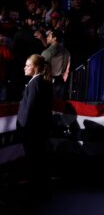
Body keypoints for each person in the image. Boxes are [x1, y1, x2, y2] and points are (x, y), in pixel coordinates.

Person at [17, 54, 53, 188]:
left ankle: (36, 186)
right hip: (39, 128)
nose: (24, 68)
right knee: (39, 157)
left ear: (36, 67)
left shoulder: (35, 84)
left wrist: (23, 128)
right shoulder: (43, 82)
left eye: (28, 66)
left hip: (31, 129)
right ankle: (41, 184)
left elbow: (29, 108)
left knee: (34, 158)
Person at [40, 29, 71, 100]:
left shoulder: (47, 52)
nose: (47, 37)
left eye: (49, 36)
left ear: (54, 38)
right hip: (61, 82)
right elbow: (67, 70)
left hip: (49, 83)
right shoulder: (67, 52)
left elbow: (40, 69)